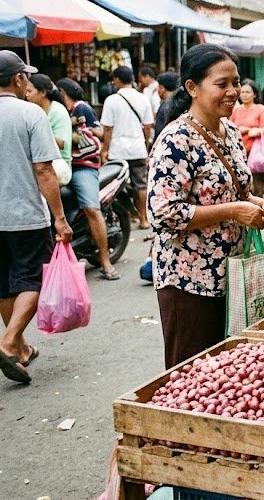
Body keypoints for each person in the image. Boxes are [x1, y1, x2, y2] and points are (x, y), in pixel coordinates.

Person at [148, 44, 264, 369]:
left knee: (224, 373)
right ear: (191, 87)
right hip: (190, 282)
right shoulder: (176, 140)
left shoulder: (229, 130)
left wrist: (250, 203)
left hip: (231, 274)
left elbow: (231, 189)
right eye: (222, 84)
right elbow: (164, 214)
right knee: (188, 373)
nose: (233, 92)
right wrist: (233, 210)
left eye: (236, 82)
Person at [0, 50, 73, 383]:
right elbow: (44, 169)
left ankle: (21, 349)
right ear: (18, 79)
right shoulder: (30, 113)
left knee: (4, 283)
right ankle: (8, 342)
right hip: (25, 214)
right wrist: (59, 217)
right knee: (32, 279)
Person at [55, 78, 118, 280]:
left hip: (83, 166)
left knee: (91, 208)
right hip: (60, 166)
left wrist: (81, 131)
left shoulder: (80, 108)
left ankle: (105, 260)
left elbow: (99, 132)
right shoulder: (52, 113)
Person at [101, 66, 154, 230]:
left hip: (118, 150)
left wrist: (104, 149)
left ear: (117, 79)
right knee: (141, 184)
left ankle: (126, 216)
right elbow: (148, 125)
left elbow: (107, 129)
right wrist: (144, 143)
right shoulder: (143, 98)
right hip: (138, 148)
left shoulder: (112, 100)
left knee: (116, 184)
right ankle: (144, 219)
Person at [230, 79, 264, 197]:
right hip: (238, 154)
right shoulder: (236, 110)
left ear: (254, 94)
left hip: (256, 155)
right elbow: (228, 128)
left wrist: (252, 130)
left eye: (248, 92)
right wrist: (241, 129)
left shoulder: (261, 109)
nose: (244, 95)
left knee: (257, 191)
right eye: (242, 92)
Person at [26, 74, 72, 172]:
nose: (27, 95)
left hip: (58, 166)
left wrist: (35, 135)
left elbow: (61, 143)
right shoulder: (32, 111)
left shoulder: (58, 111)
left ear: (42, 92)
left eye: (30, 91)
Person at [152, 72, 180, 141]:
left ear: (162, 88)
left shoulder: (165, 107)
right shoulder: (180, 104)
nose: (157, 89)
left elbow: (159, 132)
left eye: (158, 86)